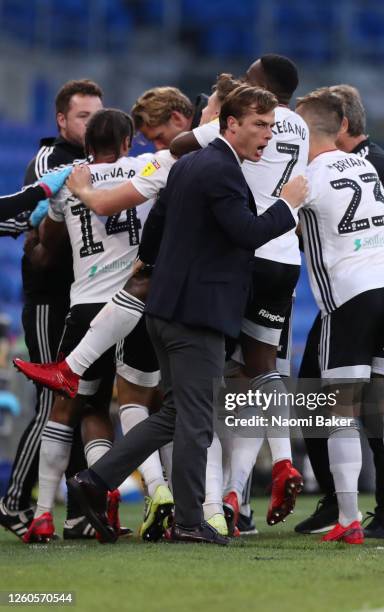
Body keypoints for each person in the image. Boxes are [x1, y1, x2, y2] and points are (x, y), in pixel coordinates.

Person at [67, 84, 307, 546]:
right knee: (197, 420)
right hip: (197, 315)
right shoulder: (222, 169)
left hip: (167, 311)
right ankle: (191, 520)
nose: (268, 135)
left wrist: (153, 271)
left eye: (272, 126)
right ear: (229, 124)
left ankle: (94, 481)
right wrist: (288, 204)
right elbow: (246, 232)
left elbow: (154, 230)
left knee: (176, 414)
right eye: (260, 125)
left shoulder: (190, 164)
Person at [14, 109, 176, 543]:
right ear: (127, 143)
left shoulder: (71, 181)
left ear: (87, 146)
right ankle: (156, 489)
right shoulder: (147, 166)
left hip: (86, 307)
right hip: (137, 301)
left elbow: (48, 245)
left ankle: (44, 513)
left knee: (74, 410)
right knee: (139, 403)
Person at [171, 55, 309, 534]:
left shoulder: (246, 120)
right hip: (287, 257)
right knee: (262, 370)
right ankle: (271, 470)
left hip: (244, 251)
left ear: (259, 86)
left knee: (211, 382)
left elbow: (180, 144)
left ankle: (214, 501)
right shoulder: (302, 127)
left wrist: (213, 112)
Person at [296, 90, 384, 545]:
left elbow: (268, 226)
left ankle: (348, 516)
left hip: (350, 298)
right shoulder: (368, 166)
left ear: (306, 132)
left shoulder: (307, 177)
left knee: (339, 408)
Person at [0, 79, 104, 541]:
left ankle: (79, 511)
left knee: (81, 401)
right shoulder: (51, 160)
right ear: (61, 120)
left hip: (86, 296)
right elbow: (32, 222)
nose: (92, 124)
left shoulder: (107, 164)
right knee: (52, 400)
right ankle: (14, 501)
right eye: (84, 116)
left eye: (98, 117)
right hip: (50, 298)